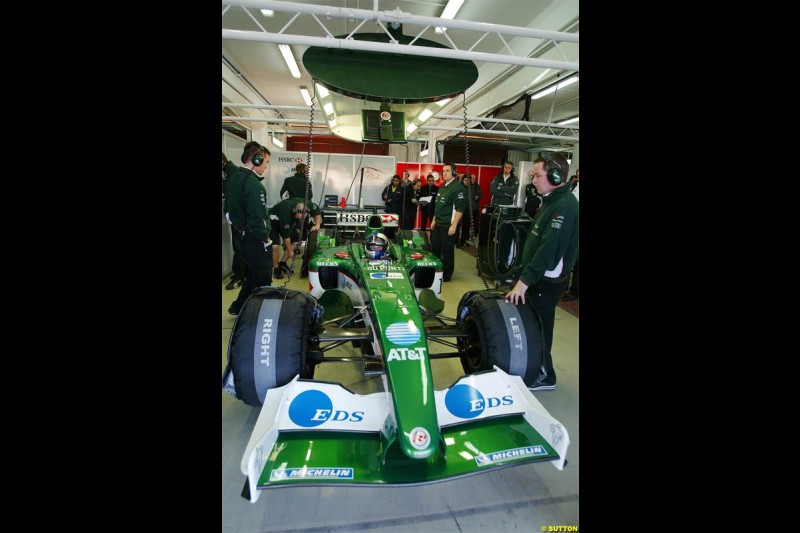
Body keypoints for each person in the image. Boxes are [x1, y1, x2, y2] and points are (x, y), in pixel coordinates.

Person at [503, 152, 578, 391]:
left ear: (556, 176)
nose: (533, 180)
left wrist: (524, 281)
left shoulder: (564, 206)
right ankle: (537, 368)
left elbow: (549, 250)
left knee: (542, 326)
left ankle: (546, 375)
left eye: (538, 175)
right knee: (535, 323)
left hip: (548, 279)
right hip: (539, 276)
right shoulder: (552, 201)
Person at [224, 142, 273, 316]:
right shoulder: (254, 184)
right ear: (257, 160)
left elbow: (227, 211)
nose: (266, 167)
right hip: (254, 238)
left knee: (252, 273)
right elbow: (258, 216)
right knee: (263, 276)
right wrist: (265, 239)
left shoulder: (233, 178)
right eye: (266, 162)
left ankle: (238, 306)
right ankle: (260, 315)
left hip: (239, 236)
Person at [430, 163, 467, 282]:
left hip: (448, 226)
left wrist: (454, 225)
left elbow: (460, 209)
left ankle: (446, 276)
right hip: (438, 224)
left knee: (447, 252)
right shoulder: (442, 186)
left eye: (447, 171)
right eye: (443, 171)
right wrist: (434, 219)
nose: (444, 173)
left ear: (454, 173)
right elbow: (438, 206)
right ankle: (436, 271)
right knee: (435, 249)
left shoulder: (458, 188)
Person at [268, 197, 322, 279]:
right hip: (273, 221)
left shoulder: (309, 205)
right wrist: (290, 251)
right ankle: (276, 268)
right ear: (294, 211)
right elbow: (286, 237)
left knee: (297, 242)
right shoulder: (286, 214)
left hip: (287, 220)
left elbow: (317, 212)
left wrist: (317, 225)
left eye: (303, 217)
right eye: (299, 217)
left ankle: (282, 263)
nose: (301, 219)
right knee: (275, 246)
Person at [223, 152, 247, 290]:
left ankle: (240, 276)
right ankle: (239, 272)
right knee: (237, 246)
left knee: (239, 247)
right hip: (235, 215)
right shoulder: (230, 171)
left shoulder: (232, 171)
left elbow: (231, 194)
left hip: (237, 217)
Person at [562, 171, 580, 301]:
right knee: (567, 257)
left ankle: (575, 290)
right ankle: (563, 286)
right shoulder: (572, 185)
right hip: (570, 228)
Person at [459, 174, 482, 246]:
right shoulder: (459, 187)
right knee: (457, 226)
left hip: (468, 210)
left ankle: (463, 240)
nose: (467, 182)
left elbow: (472, 199)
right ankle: (456, 242)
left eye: (468, 180)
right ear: (463, 180)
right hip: (459, 210)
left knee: (466, 226)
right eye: (465, 180)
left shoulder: (471, 187)